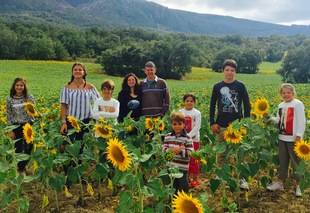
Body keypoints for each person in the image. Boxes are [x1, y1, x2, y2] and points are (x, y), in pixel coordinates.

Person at [209, 59, 251, 189]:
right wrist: (212, 122)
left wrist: (245, 122)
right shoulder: (217, 86)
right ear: (223, 71)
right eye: (227, 70)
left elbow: (247, 105)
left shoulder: (240, 86)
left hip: (237, 125)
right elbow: (212, 105)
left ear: (235, 72)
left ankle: (241, 178)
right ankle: (222, 175)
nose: (229, 72)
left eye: (232, 70)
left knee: (240, 153)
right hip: (221, 124)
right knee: (221, 152)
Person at [266, 83, 306, 197]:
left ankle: (299, 185)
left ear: (293, 93)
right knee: (282, 161)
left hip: (294, 138)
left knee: (296, 162)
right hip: (282, 137)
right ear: (281, 94)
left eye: (288, 92)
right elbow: (279, 120)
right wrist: (270, 119)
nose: (286, 95)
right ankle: (280, 182)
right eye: (283, 93)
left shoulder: (298, 104)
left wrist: (299, 135)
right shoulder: (280, 105)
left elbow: (302, 121)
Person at [60, 62, 100, 140]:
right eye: (75, 70)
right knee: (72, 146)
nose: (77, 71)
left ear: (84, 72)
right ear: (72, 72)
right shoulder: (66, 88)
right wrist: (63, 122)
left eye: (80, 70)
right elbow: (63, 106)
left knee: (86, 146)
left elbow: (99, 103)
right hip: (71, 122)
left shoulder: (90, 87)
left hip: (87, 123)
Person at [6, 77, 35, 174]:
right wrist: (10, 129)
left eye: (21, 85)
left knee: (29, 147)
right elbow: (9, 114)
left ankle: (22, 166)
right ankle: (20, 169)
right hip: (15, 126)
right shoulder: (9, 99)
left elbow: (33, 111)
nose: (19, 87)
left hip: (27, 125)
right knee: (17, 148)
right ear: (14, 86)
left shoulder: (29, 97)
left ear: (24, 87)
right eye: (17, 85)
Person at [163, 112, 193, 193]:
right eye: (175, 124)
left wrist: (181, 151)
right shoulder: (168, 136)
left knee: (183, 186)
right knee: (172, 186)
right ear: (171, 125)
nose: (177, 126)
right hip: (171, 166)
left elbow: (190, 152)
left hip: (182, 167)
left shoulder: (187, 138)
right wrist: (171, 151)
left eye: (180, 124)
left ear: (184, 124)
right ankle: (172, 202)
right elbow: (164, 150)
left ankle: (184, 201)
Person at [179, 93, 201, 187]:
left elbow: (197, 127)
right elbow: (178, 125)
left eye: (191, 101)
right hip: (182, 139)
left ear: (194, 102)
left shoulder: (197, 113)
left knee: (194, 159)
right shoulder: (180, 112)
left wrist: (188, 136)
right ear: (184, 102)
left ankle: (195, 179)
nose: (189, 102)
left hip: (194, 139)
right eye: (187, 101)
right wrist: (183, 137)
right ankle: (187, 179)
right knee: (184, 159)